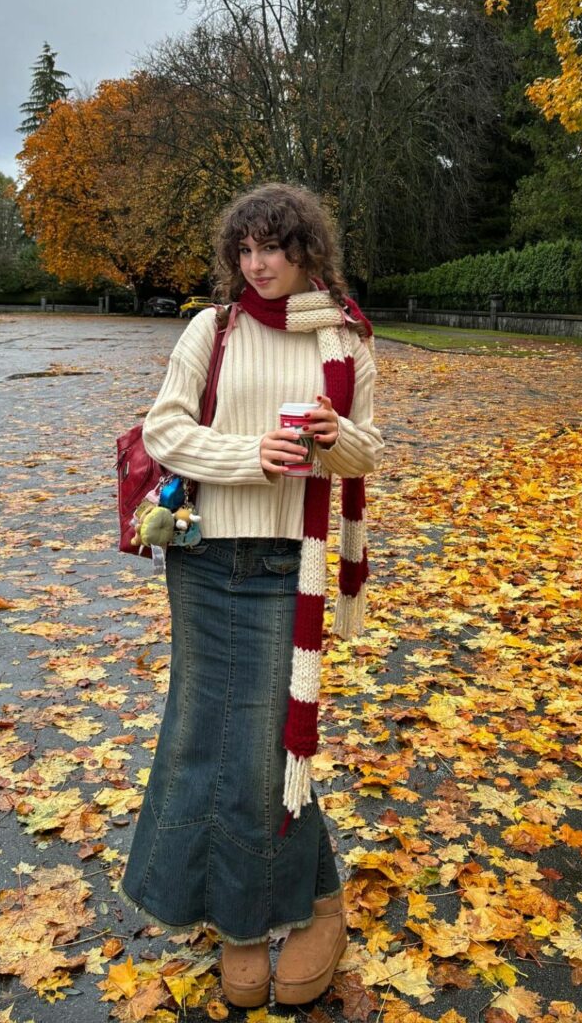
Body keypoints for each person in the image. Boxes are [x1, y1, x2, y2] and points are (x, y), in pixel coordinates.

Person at [120, 182, 384, 1007]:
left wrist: (333, 439)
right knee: (203, 737)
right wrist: (250, 455)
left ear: (308, 251)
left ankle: (303, 909)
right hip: (203, 563)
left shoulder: (345, 343)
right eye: (244, 249)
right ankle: (246, 921)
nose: (257, 263)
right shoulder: (214, 327)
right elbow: (164, 429)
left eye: (273, 247)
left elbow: (367, 453)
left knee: (270, 750)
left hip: (286, 567)